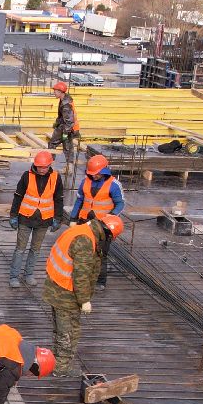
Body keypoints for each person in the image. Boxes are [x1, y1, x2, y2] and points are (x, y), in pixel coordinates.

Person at [42, 213, 123, 377]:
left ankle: (58, 363)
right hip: (67, 295)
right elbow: (81, 276)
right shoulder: (85, 241)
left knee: (60, 330)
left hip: (56, 288)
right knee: (69, 332)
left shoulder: (80, 230)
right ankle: (62, 368)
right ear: (108, 233)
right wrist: (85, 300)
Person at [8, 150, 63, 288]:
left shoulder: (56, 178)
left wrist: (58, 218)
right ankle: (14, 276)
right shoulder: (27, 176)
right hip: (25, 218)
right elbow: (18, 196)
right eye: (40, 167)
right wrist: (13, 215)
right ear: (35, 165)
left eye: (45, 167)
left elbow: (58, 199)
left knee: (35, 249)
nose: (42, 170)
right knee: (20, 248)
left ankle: (29, 274)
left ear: (50, 165)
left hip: (44, 220)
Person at [71, 154, 125, 290]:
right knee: (81, 251)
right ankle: (81, 278)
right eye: (92, 174)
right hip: (85, 222)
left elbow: (120, 204)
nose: (94, 176)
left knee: (101, 254)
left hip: (103, 226)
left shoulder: (114, 185)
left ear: (104, 171)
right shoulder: (85, 182)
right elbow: (79, 201)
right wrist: (73, 218)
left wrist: (111, 217)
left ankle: (100, 281)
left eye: (96, 174)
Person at [50, 80, 80, 169]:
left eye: (55, 91)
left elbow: (69, 121)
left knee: (53, 144)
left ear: (60, 92)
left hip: (68, 127)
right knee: (68, 147)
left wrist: (65, 133)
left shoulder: (66, 104)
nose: (54, 92)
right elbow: (63, 116)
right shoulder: (64, 99)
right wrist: (57, 122)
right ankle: (69, 167)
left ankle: (50, 165)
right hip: (68, 127)